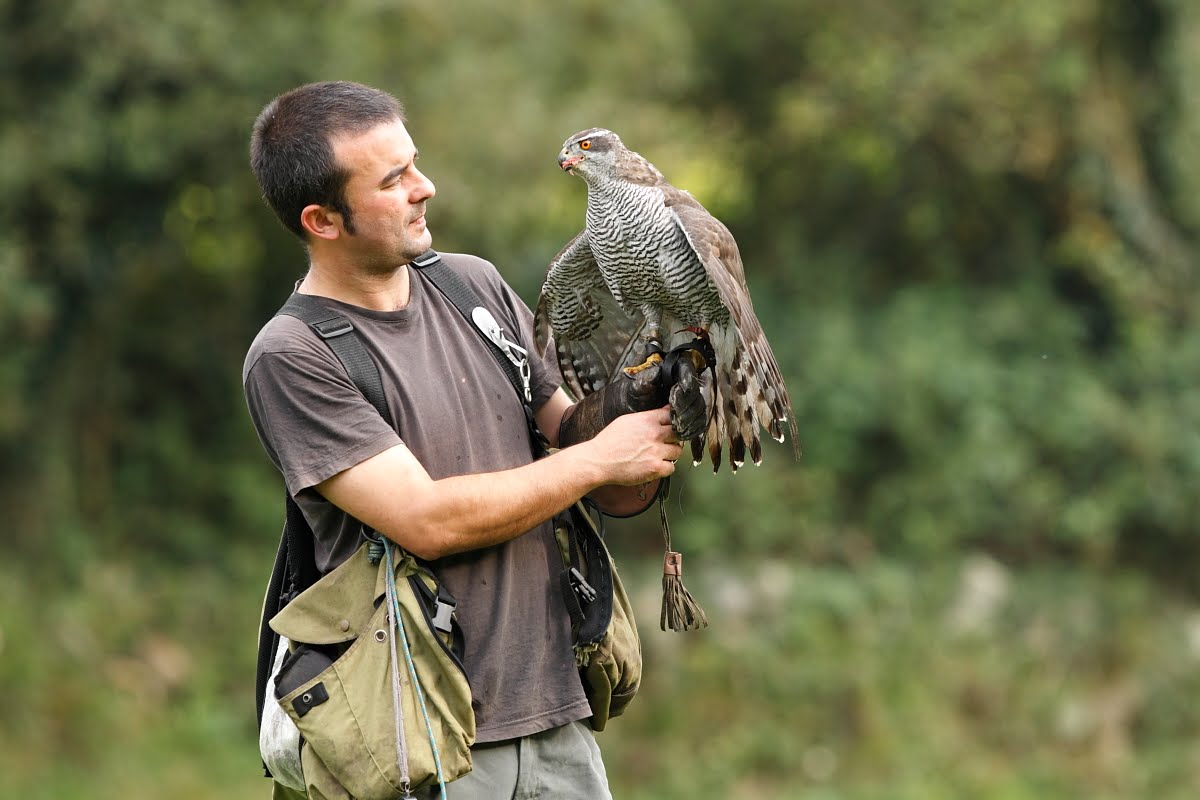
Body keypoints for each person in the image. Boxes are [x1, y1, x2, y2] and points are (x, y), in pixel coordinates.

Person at [243, 80, 702, 799]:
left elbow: (603, 472)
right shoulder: (295, 355)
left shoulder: (473, 289)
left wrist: (657, 392)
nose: (424, 188)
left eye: (414, 164)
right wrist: (598, 458)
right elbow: (427, 520)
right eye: (394, 181)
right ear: (323, 220)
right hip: (419, 743)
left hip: (558, 724)